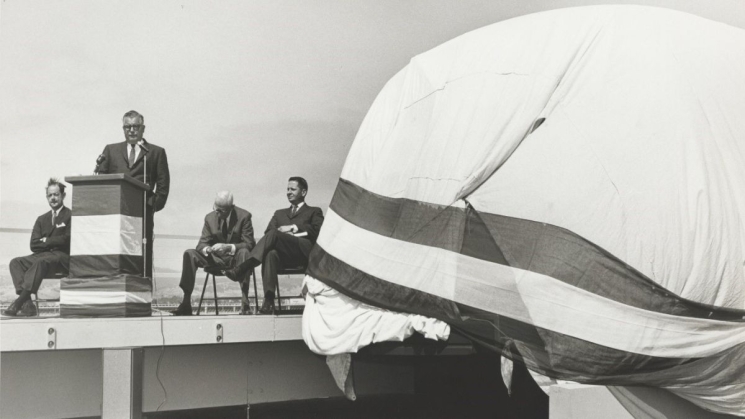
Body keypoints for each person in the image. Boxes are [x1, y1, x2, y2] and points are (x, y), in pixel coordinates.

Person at [225, 177, 324, 314]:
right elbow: (268, 235)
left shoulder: (314, 211)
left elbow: (318, 231)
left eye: (293, 189)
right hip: (283, 256)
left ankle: (244, 267)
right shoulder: (279, 213)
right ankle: (269, 300)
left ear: (303, 192)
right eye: (287, 189)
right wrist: (281, 236)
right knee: (270, 253)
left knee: (274, 234)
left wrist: (293, 228)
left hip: (303, 254)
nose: (288, 192)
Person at [98, 110, 170, 278]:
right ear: (123, 128)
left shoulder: (155, 152)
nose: (131, 130)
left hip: (142, 214)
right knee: (116, 253)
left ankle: (144, 298)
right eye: (127, 126)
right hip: (116, 215)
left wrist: (150, 207)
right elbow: (101, 179)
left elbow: (163, 185)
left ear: (143, 128)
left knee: (142, 254)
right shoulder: (110, 150)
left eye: (135, 126)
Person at [171, 191, 256, 316]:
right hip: (214, 259)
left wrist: (229, 247)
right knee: (189, 254)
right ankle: (186, 301)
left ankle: (245, 301)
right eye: (215, 208)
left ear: (230, 208)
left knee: (244, 252)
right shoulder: (209, 218)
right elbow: (201, 244)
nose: (217, 213)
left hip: (235, 261)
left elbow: (249, 244)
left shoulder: (244, 216)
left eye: (221, 211)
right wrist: (208, 249)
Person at [4, 179, 71, 317]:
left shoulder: (70, 216)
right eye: (50, 195)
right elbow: (33, 244)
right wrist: (52, 241)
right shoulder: (42, 219)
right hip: (44, 256)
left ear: (63, 196)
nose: (53, 198)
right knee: (15, 262)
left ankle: (18, 302)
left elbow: (67, 240)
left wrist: (45, 240)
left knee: (40, 262)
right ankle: (28, 304)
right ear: (47, 197)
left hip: (61, 258)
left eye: (56, 194)